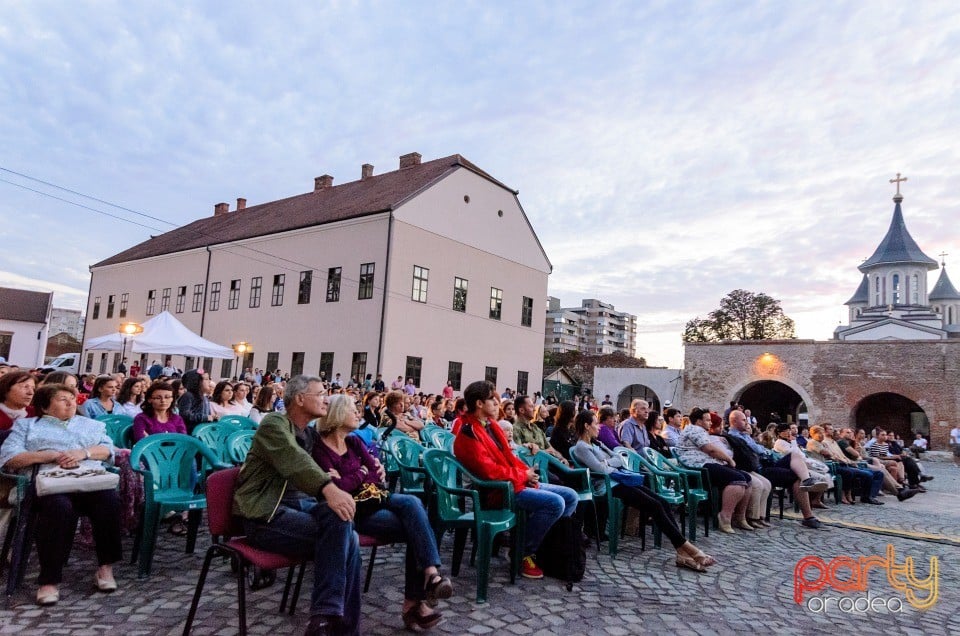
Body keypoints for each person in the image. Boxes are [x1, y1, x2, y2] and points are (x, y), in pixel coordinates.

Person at [233, 375, 362, 635]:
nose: (326, 398)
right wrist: (328, 487)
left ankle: (327, 617)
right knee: (350, 540)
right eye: (320, 393)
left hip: (301, 509)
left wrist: (369, 470)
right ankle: (336, 623)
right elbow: (293, 458)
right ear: (300, 399)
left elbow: (337, 461)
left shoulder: (311, 435)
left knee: (343, 524)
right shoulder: (274, 423)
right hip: (266, 515)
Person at [314, 395, 452, 629]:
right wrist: (360, 473)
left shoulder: (354, 442)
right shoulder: (320, 449)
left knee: (412, 504)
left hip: (375, 498)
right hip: (351, 512)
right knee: (416, 526)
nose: (358, 413)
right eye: (352, 409)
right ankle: (416, 600)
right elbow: (337, 490)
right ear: (337, 414)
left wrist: (357, 475)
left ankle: (429, 574)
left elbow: (377, 475)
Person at [0, 383, 121, 605]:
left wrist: (82, 453)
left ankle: (105, 568)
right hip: (47, 484)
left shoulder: (90, 425)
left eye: (72, 399)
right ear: (45, 407)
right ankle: (49, 580)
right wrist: (51, 456)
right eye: (62, 399)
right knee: (59, 508)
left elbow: (107, 451)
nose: (70, 402)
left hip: (86, 480)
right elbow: (10, 458)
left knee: (109, 500)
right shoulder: (27, 426)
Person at [453, 381, 578, 580]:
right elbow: (490, 472)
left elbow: (510, 458)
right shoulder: (468, 433)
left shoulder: (491, 425)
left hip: (515, 483)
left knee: (571, 496)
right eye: (492, 400)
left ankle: (545, 547)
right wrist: (523, 476)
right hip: (499, 492)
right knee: (556, 503)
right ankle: (522, 552)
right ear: (478, 403)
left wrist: (527, 473)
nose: (497, 403)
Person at [570, 410, 716, 572]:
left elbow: (619, 459)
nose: (598, 427)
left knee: (661, 502)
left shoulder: (596, 443)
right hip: (608, 486)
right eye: (595, 423)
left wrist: (607, 462)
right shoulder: (581, 447)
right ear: (586, 426)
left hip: (619, 480)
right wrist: (609, 463)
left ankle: (681, 550)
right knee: (654, 505)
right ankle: (687, 548)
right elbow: (601, 470)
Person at [677, 408, 752, 533]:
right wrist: (728, 459)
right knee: (737, 479)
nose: (710, 423)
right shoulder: (695, 430)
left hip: (706, 463)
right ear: (699, 421)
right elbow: (710, 449)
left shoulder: (699, 430)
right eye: (707, 420)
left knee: (747, 478)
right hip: (697, 466)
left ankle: (740, 516)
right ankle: (724, 517)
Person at [511, 394, 569, 466]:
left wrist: (562, 458)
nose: (535, 409)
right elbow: (519, 455)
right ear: (521, 410)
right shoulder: (515, 429)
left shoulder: (536, 428)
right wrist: (544, 453)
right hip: (536, 469)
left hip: (550, 465)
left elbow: (550, 448)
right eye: (531, 406)